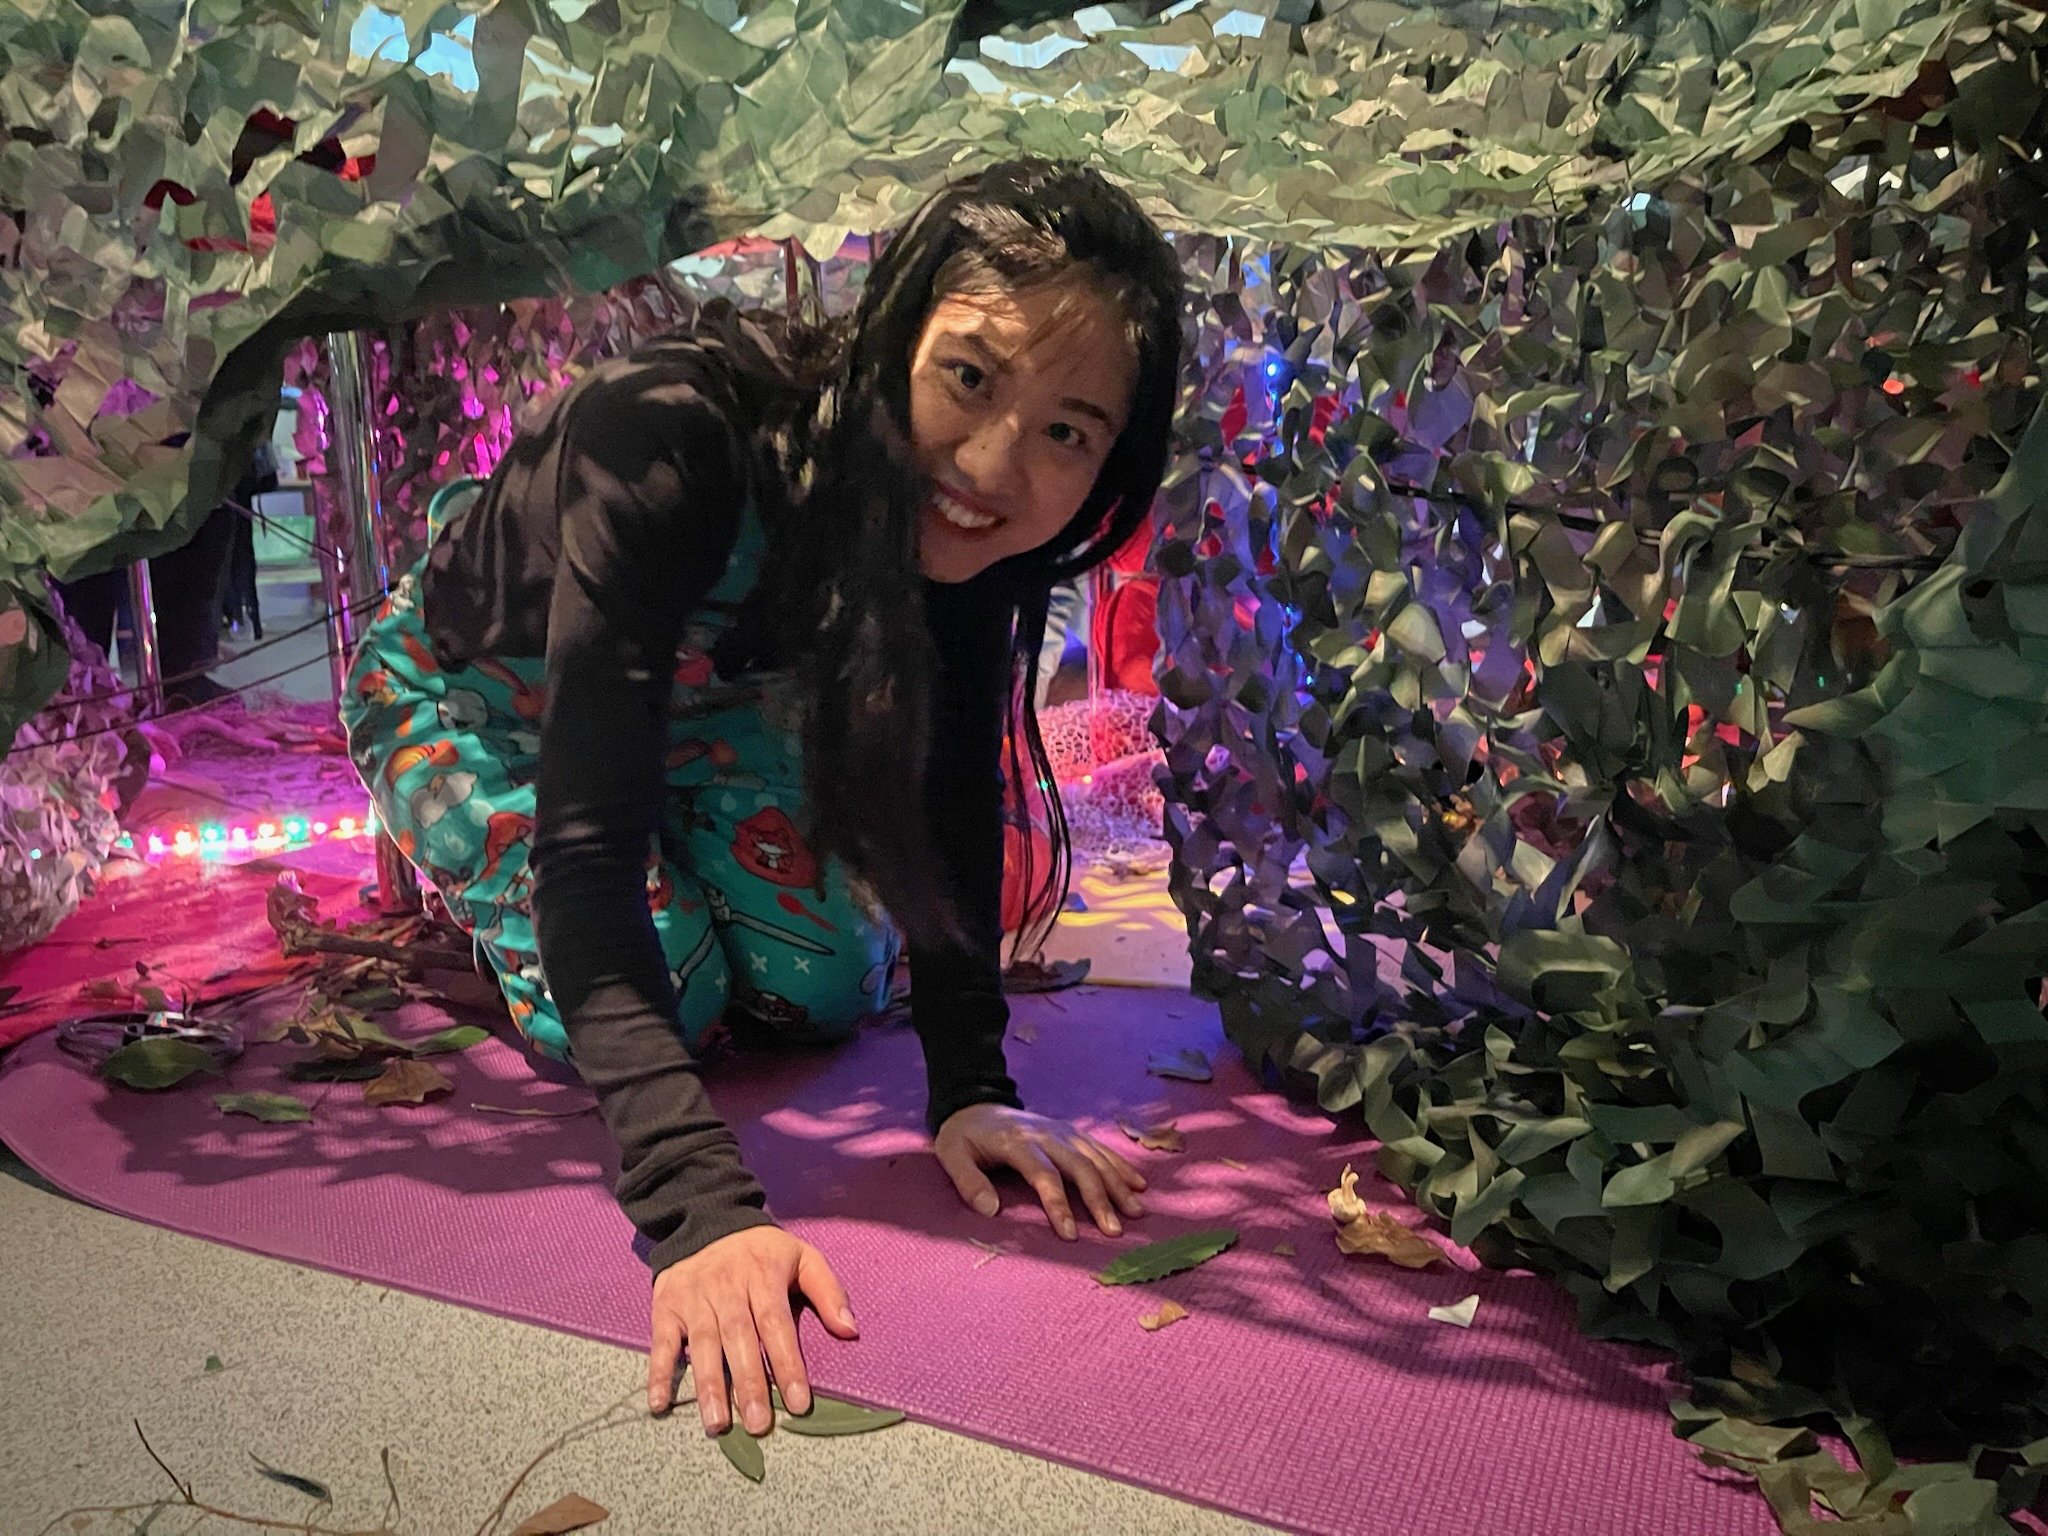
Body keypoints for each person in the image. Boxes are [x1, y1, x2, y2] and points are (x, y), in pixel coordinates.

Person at [339, 159, 1184, 1442]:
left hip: (711, 711)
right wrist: (700, 1209)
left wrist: (968, 1087)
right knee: (657, 1000)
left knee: (824, 994)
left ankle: (684, 868)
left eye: (1068, 429)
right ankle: (504, 910)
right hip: (492, 699)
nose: (995, 463)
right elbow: (584, 844)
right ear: (896, 328)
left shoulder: (969, 530)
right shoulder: (666, 433)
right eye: (968, 375)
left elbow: (950, 783)